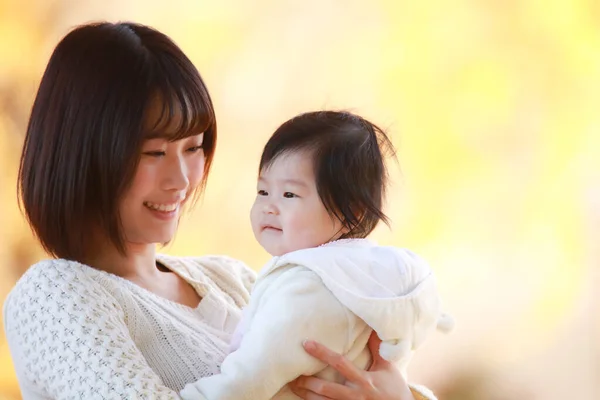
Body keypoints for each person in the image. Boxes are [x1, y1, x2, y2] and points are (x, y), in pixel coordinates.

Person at [2, 22, 438, 400]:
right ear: (85, 154)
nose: (182, 179)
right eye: (154, 152)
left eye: (193, 148)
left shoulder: (235, 279)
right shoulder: (55, 295)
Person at [182, 111, 453, 400]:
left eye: (289, 195)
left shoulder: (315, 289)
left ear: (352, 212)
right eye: (262, 191)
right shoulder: (351, 276)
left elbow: (252, 374)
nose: (269, 207)